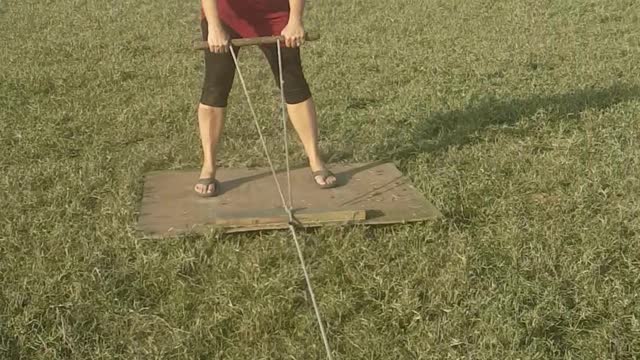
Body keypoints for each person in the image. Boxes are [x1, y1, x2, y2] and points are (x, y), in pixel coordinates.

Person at [195, 0, 337, 197]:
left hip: (274, 14)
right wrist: (213, 25)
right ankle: (209, 167)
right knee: (215, 86)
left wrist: (295, 20)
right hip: (225, 15)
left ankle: (315, 160)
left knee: (294, 82)